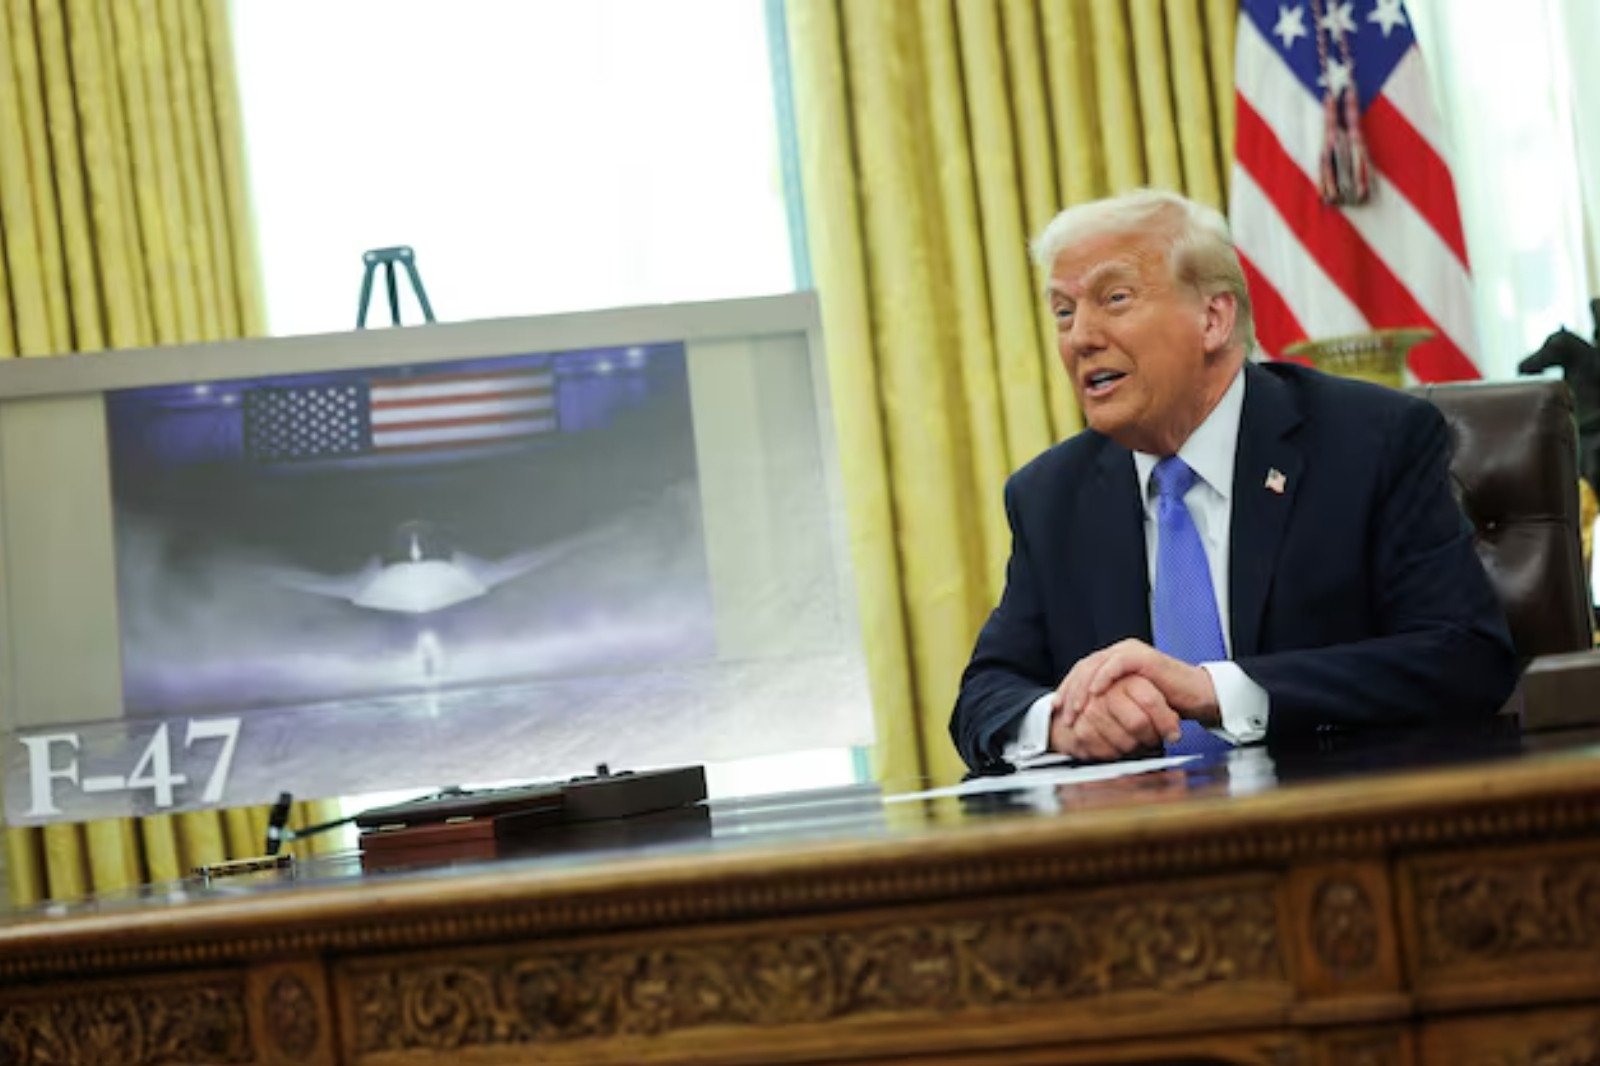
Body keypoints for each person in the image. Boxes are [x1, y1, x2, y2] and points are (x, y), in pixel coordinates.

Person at [949, 189, 1518, 771]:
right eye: (1064, 312)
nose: (1080, 337)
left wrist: (1217, 691)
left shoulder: (1371, 442)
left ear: (1213, 319)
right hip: (1144, 844)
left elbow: (1465, 658)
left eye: (1114, 299)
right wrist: (1062, 721)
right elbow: (984, 696)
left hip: (1344, 829)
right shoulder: (1051, 496)